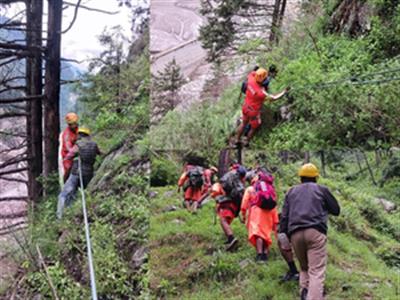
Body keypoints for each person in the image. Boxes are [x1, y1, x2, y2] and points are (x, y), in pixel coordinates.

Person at [280, 163, 340, 300]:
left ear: (300, 177)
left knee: (304, 268)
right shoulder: (321, 189)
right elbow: (336, 210)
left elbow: (284, 216)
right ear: (316, 178)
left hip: (295, 234)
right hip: (315, 232)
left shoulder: (291, 191)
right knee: (317, 271)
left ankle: (304, 293)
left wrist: (283, 236)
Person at [235, 67, 287, 146]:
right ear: (263, 80)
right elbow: (274, 98)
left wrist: (259, 71)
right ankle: (246, 142)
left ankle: (237, 140)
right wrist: (284, 92)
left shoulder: (250, 78)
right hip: (253, 112)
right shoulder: (261, 93)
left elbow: (253, 72)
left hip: (245, 107)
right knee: (254, 127)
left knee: (243, 123)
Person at [57, 127, 101, 219]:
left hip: (76, 172)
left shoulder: (78, 144)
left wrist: (68, 158)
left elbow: (69, 155)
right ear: (88, 135)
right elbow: (100, 153)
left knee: (64, 194)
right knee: (84, 193)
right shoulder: (94, 144)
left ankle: (60, 216)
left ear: (79, 135)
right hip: (89, 173)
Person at [241, 170, 279, 262]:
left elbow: (244, 203)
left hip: (257, 212)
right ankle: (265, 254)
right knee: (266, 233)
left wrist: (243, 215)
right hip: (270, 212)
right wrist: (275, 220)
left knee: (258, 233)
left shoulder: (251, 189)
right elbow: (274, 201)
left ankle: (259, 254)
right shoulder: (270, 188)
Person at [210, 165, 247, 251]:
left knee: (223, 220)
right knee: (226, 220)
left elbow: (220, 187)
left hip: (227, 202)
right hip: (236, 204)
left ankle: (231, 238)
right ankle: (229, 238)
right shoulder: (240, 180)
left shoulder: (230, 176)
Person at [61, 112, 79, 182]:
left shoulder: (78, 129)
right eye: (72, 124)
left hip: (76, 151)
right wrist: (76, 151)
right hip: (67, 155)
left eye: (75, 123)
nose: (74, 125)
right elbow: (69, 148)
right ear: (69, 124)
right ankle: (66, 183)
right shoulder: (67, 134)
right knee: (68, 168)